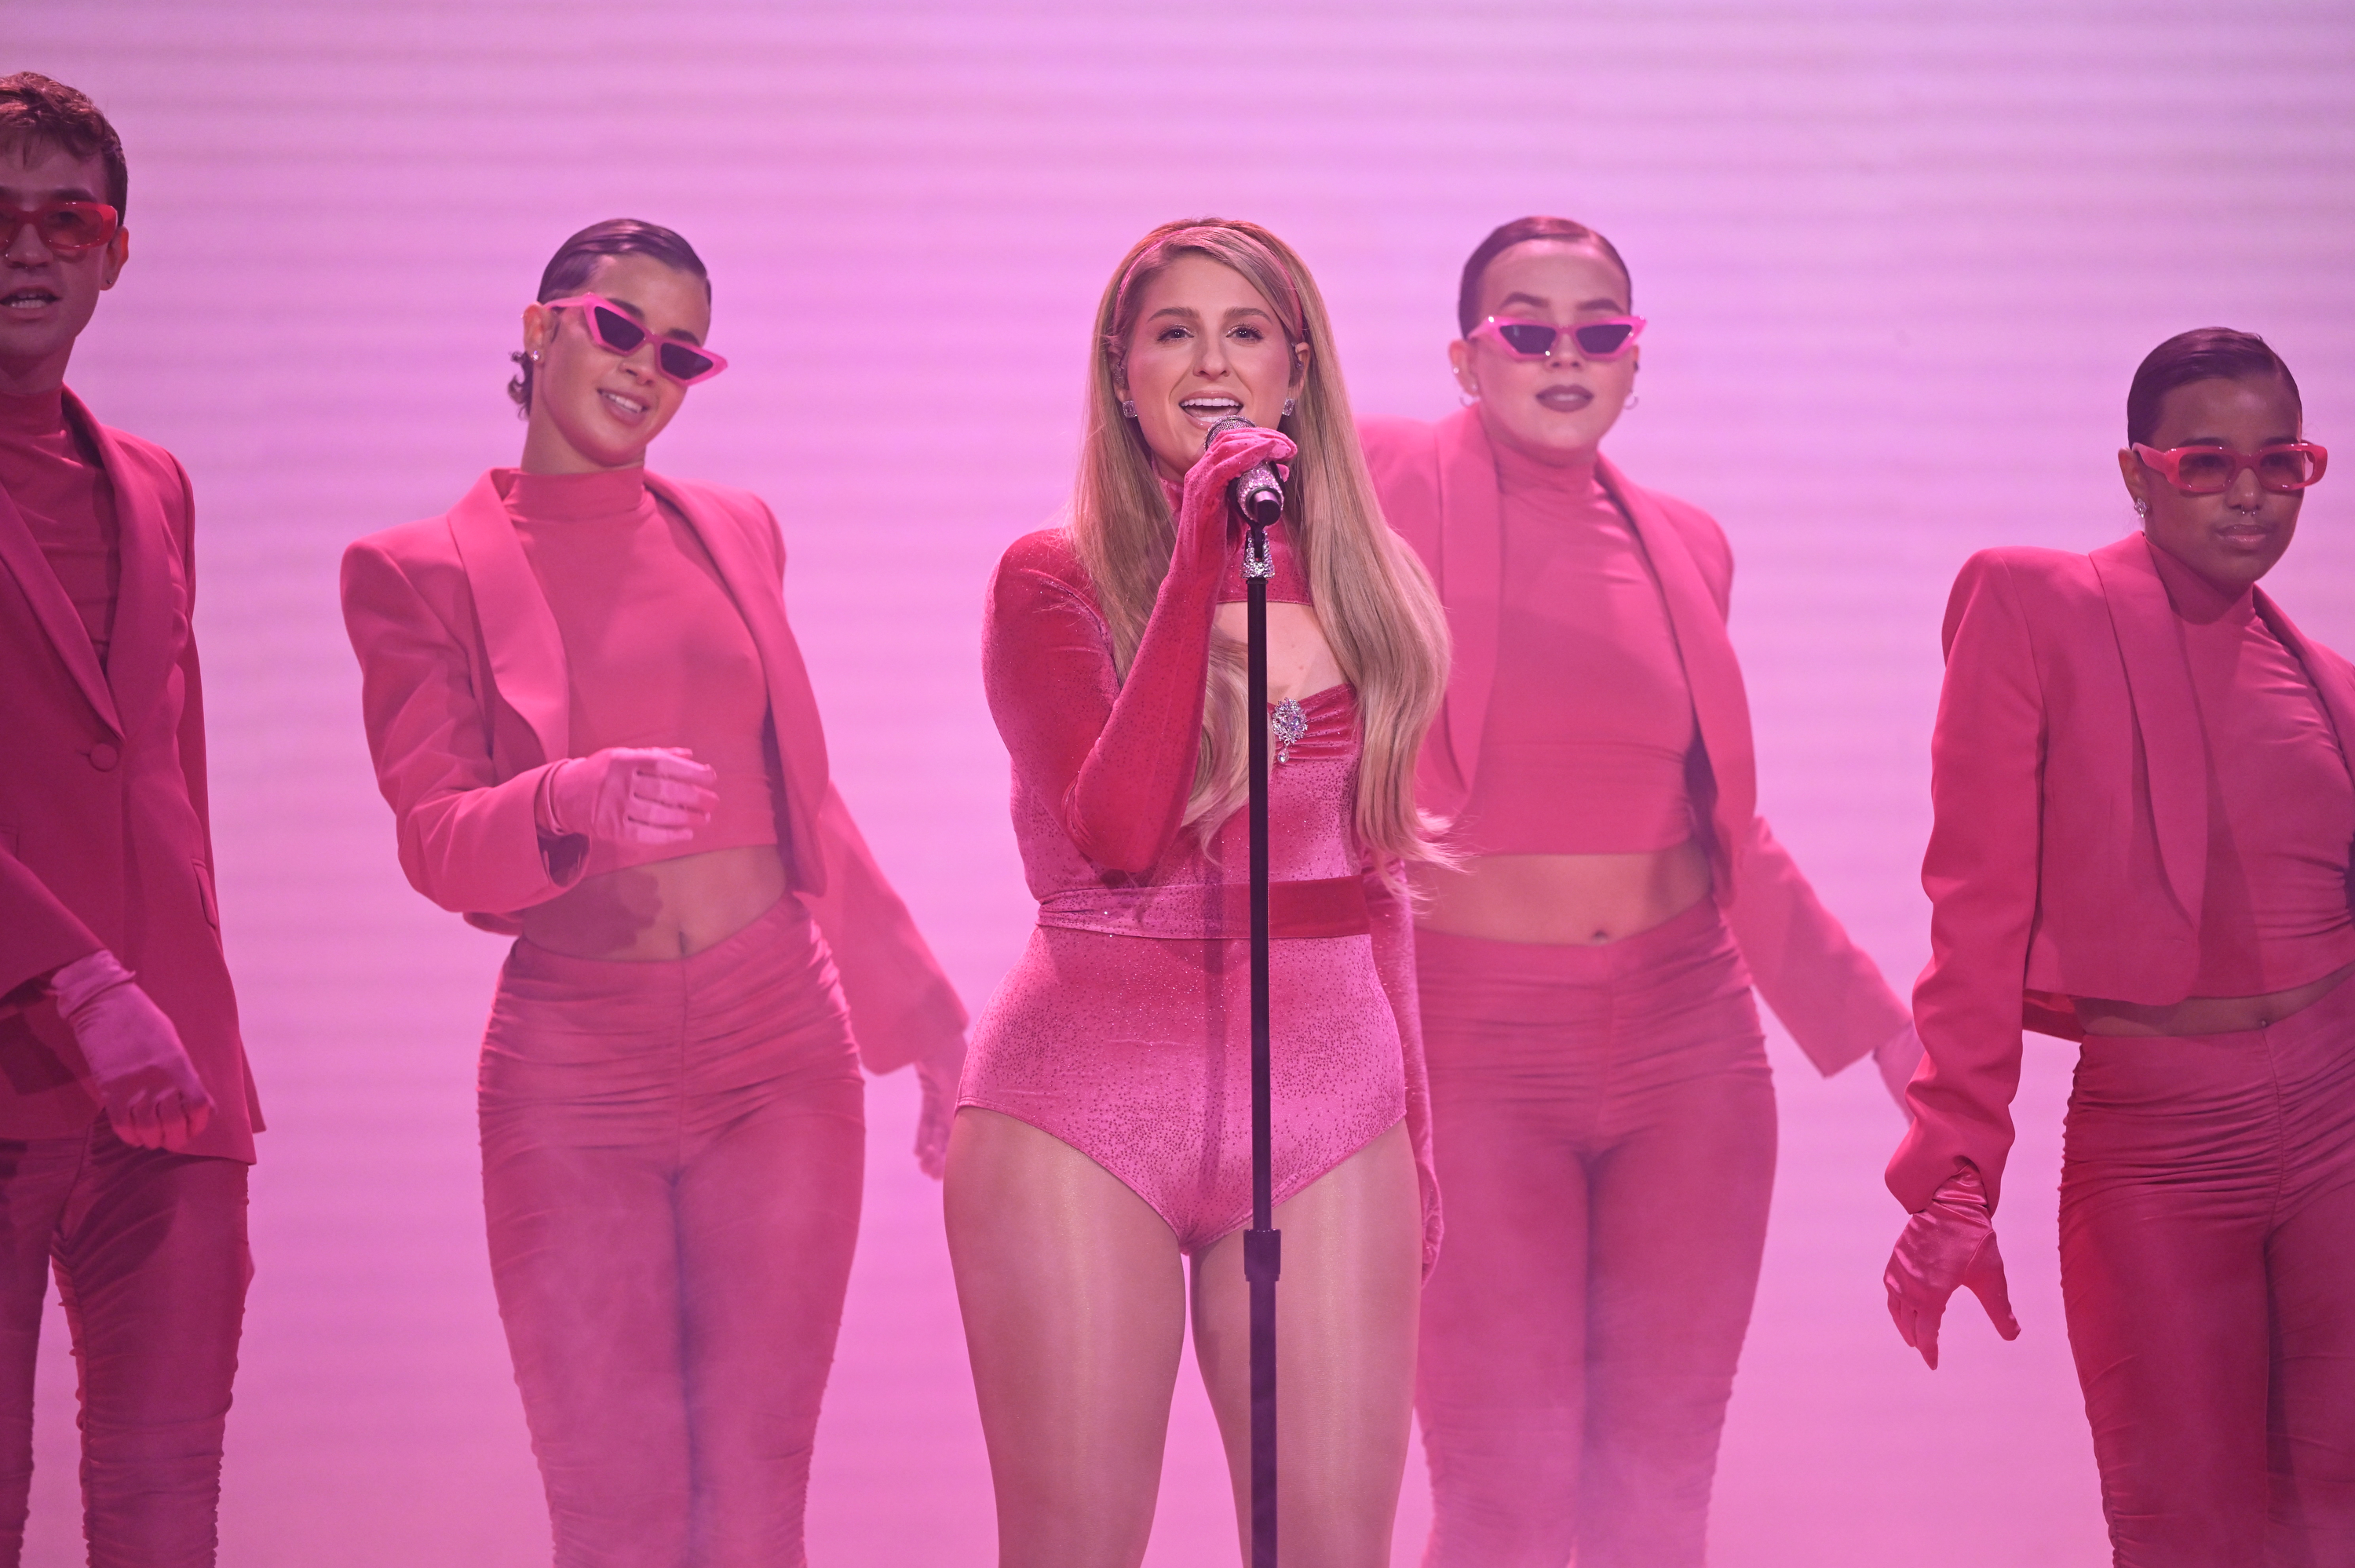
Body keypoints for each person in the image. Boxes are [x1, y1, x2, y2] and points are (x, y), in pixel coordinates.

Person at [339, 219, 966, 1567]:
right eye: (620, 326)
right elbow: (436, 837)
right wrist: (568, 797)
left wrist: (921, 1010)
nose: (646, 367)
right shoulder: (415, 569)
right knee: (614, 1509)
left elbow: (806, 799)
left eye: (680, 350)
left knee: (755, 1495)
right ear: (540, 324)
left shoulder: (734, 527)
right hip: (576, 1059)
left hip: (775, 1038)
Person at [1356, 214, 1917, 1568]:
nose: (1565, 351)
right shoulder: (1382, 489)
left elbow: (1730, 827)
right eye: (1526, 326)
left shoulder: (1688, 544)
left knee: (1659, 1495)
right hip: (1476, 1043)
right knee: (1505, 1492)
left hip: (1687, 1039)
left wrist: (1892, 1031)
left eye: (1598, 327)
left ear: (1634, 359)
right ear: (1463, 357)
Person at [947, 217, 1451, 1568]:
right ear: (1122, 373)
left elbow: (1377, 878)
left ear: (1299, 372)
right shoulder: (1048, 578)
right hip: (1084, 1099)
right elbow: (1118, 830)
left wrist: (1419, 1126)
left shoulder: (1367, 588)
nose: (1212, 360)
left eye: (1245, 332)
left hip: (1332, 1100)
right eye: (1174, 331)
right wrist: (1193, 554)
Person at [1886, 328, 2353, 1566]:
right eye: (2206, 462)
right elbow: (1973, 908)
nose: (2249, 490)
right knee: (2185, 1527)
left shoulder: (2333, 690)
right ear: (2138, 472)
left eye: (2281, 462)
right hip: (2159, 1146)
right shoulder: (2035, 603)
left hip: (2342, 1125)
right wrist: (1954, 1172)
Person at [0, 72, 264, 1566]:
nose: (25, 248)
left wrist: (203, 1030)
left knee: (165, 1512)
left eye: (66, 216)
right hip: (23, 1047)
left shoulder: (154, 482)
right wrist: (78, 978)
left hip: (169, 1093)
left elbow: (167, 772)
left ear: (113, 249)